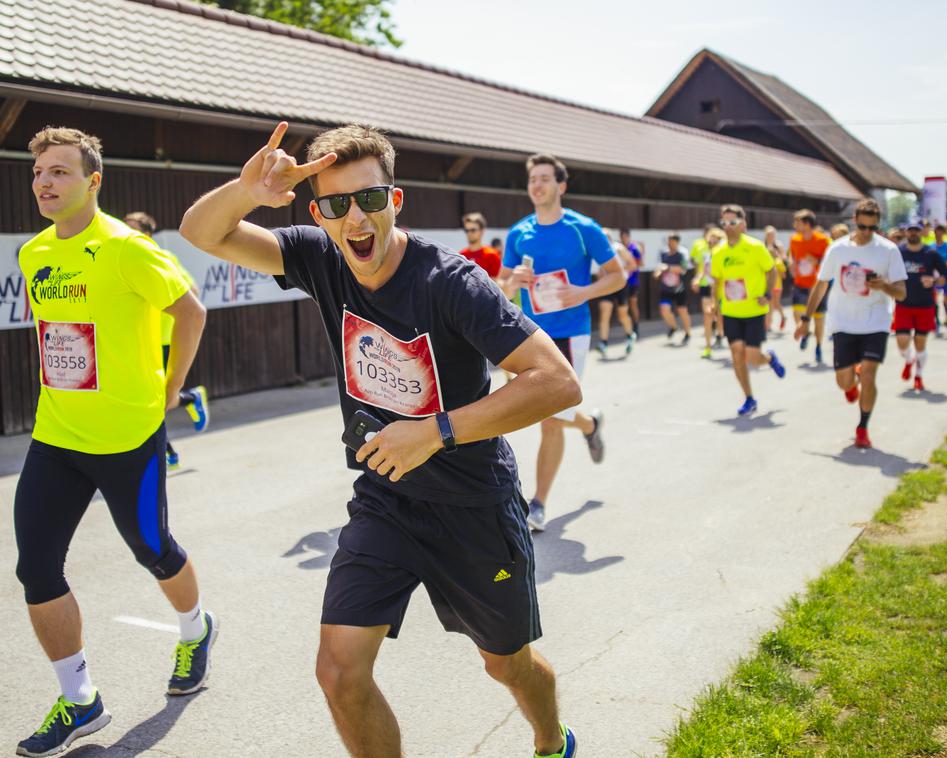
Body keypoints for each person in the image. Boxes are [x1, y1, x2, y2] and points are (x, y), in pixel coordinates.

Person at [180, 122, 583, 758]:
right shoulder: (317, 257)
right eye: (337, 205)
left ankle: (550, 739)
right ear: (320, 213)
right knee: (339, 672)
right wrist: (248, 189)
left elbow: (557, 382)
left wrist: (438, 431)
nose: (356, 218)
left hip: (474, 505)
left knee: (506, 664)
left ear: (394, 201)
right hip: (386, 497)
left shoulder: (450, 282)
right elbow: (201, 233)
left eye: (369, 199)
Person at [14, 128, 212, 757]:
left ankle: (195, 629)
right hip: (58, 436)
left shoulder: (129, 249)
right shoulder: (33, 254)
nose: (46, 182)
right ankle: (80, 701)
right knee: (35, 567)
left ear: (93, 181)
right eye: (40, 172)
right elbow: (51, 333)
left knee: (153, 550)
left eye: (60, 172)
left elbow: (191, 312)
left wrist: (171, 387)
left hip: (130, 438)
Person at [500, 153, 624, 534]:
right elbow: (500, 287)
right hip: (531, 334)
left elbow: (618, 276)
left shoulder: (583, 228)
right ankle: (589, 424)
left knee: (550, 417)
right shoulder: (518, 233)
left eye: (544, 179)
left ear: (561, 185)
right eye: (532, 179)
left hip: (571, 331)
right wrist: (512, 283)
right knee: (546, 413)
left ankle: (536, 505)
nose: (537, 185)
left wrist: (583, 291)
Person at [794, 198, 907, 448]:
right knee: (843, 383)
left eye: (873, 228)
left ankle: (863, 427)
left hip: (875, 322)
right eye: (863, 227)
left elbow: (901, 293)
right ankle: (851, 381)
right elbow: (821, 284)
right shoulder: (838, 249)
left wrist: (884, 286)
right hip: (843, 322)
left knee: (869, 375)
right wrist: (806, 319)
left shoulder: (888, 250)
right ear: (854, 221)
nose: (867, 233)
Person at [123, 212, 210, 469]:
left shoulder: (162, 259)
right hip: (136, 341)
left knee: (154, 402)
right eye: (124, 228)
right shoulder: (123, 260)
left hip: (162, 339)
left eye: (133, 228)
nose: (127, 233)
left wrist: (159, 297)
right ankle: (189, 399)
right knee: (145, 401)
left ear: (148, 233)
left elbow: (191, 293)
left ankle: (166, 452)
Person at [710, 204, 786, 416]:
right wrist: (715, 304)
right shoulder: (718, 252)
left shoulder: (755, 247)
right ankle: (749, 398)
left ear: (742, 223)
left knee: (752, 357)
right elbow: (717, 281)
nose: (727, 226)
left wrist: (768, 294)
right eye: (724, 222)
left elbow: (771, 272)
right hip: (732, 312)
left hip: (754, 310)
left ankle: (769, 358)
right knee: (736, 353)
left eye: (732, 222)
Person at [893, 220, 947, 391]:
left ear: (922, 232)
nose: (913, 233)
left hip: (925, 305)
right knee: (902, 343)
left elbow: (946, 276)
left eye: (916, 230)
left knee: (920, 343)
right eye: (910, 230)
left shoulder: (930, 253)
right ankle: (909, 359)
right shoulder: (898, 252)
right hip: (903, 303)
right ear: (906, 232)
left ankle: (918, 375)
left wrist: (933, 281)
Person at [788, 209, 830, 363]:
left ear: (806, 224)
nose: (794, 225)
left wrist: (816, 261)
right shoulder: (794, 239)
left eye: (797, 222)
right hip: (800, 282)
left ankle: (818, 346)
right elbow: (791, 255)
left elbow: (829, 262)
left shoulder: (823, 240)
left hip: (817, 286)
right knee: (796, 311)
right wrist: (791, 263)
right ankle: (805, 331)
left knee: (818, 318)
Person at [594, 229, 638, 359]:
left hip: (620, 284)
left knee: (622, 314)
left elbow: (633, 265)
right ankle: (603, 342)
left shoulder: (618, 249)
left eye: (605, 238)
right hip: (607, 285)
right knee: (604, 311)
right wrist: (601, 275)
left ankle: (630, 335)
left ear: (610, 239)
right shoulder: (600, 251)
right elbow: (601, 269)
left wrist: (617, 271)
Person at [689, 223, 722, 358]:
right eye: (710, 240)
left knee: (720, 316)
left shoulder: (724, 256)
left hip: (721, 290)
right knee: (707, 316)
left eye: (715, 240)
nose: (712, 242)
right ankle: (708, 346)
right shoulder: (707, 256)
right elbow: (703, 271)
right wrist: (696, 279)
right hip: (706, 287)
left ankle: (720, 333)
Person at [656, 233, 691, 344]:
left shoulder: (681, 254)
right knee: (664, 310)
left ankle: (687, 333)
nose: (670, 243)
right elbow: (660, 267)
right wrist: (657, 272)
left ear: (677, 242)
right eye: (669, 241)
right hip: (666, 288)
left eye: (672, 241)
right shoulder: (664, 254)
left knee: (682, 311)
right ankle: (673, 326)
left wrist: (669, 268)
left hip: (679, 289)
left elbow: (683, 269)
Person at [459, 211, 503, 281]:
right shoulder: (461, 255)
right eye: (466, 230)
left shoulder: (492, 255)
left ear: (482, 231)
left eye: (473, 230)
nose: (469, 233)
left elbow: (496, 284)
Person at [763, 225, 789, 331]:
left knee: (775, 303)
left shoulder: (778, 245)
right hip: (765, 280)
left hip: (777, 281)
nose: (771, 236)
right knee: (769, 303)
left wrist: (776, 256)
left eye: (772, 234)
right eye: (769, 234)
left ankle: (782, 316)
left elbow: (784, 259)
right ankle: (768, 325)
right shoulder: (762, 245)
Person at [619, 228, 644, 334]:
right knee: (624, 306)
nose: (624, 239)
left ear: (629, 237)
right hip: (621, 282)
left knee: (633, 303)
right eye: (622, 237)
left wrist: (629, 266)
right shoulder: (618, 248)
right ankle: (628, 328)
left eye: (626, 236)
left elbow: (640, 264)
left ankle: (636, 325)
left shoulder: (634, 249)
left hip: (633, 281)